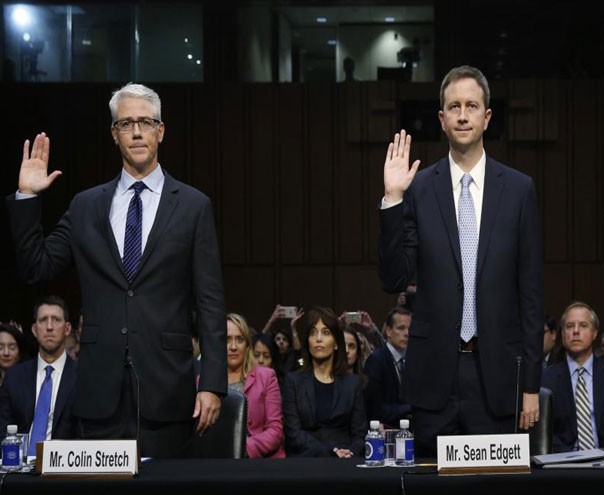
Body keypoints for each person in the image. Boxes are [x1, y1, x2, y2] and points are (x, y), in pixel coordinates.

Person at [6, 82, 226, 458]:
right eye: (126, 124)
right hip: (99, 392)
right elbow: (35, 266)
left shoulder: (193, 206)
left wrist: (213, 383)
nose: (136, 131)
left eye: (145, 122)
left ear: (161, 130)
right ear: (114, 134)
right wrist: (27, 196)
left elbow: (210, 300)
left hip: (168, 390)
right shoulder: (86, 205)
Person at [379, 65, 544, 456]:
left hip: (499, 377)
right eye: (454, 106)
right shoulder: (418, 188)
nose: (463, 114)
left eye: (472, 106)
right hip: (435, 374)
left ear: (487, 117)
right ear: (442, 119)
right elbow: (393, 278)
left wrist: (531, 386)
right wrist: (391, 199)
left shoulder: (519, 189)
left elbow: (532, 294)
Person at [541, 302, 604, 454]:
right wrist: (570, 460)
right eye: (569, 326)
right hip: (562, 466)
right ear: (562, 334)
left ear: (594, 333)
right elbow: (543, 434)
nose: (575, 331)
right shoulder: (546, 380)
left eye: (583, 325)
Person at [281, 307, 366, 457]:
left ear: (336, 343)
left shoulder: (353, 383)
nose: (318, 338)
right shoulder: (293, 381)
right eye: (313, 333)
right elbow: (293, 433)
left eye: (325, 333)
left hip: (345, 461)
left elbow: (359, 434)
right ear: (307, 341)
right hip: (306, 460)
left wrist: (350, 452)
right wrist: (330, 452)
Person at [0, 296, 77, 449]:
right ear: (34, 330)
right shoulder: (15, 377)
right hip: (17, 467)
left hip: (64, 469)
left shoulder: (82, 377)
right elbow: (3, 430)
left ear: (67, 329)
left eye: (56, 320)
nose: (49, 327)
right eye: (43, 320)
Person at [227, 314, 285, 458]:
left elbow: (275, 430)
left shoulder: (266, 376)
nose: (233, 347)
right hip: (217, 461)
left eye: (239, 340)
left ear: (247, 345)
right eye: (226, 340)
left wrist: (242, 449)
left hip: (257, 460)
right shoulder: (203, 380)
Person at [363, 307, 411, 428]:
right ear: (389, 331)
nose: (407, 333)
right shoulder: (376, 361)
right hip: (384, 432)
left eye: (410, 329)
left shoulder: (412, 361)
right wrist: (411, 409)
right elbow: (375, 409)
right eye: (401, 328)